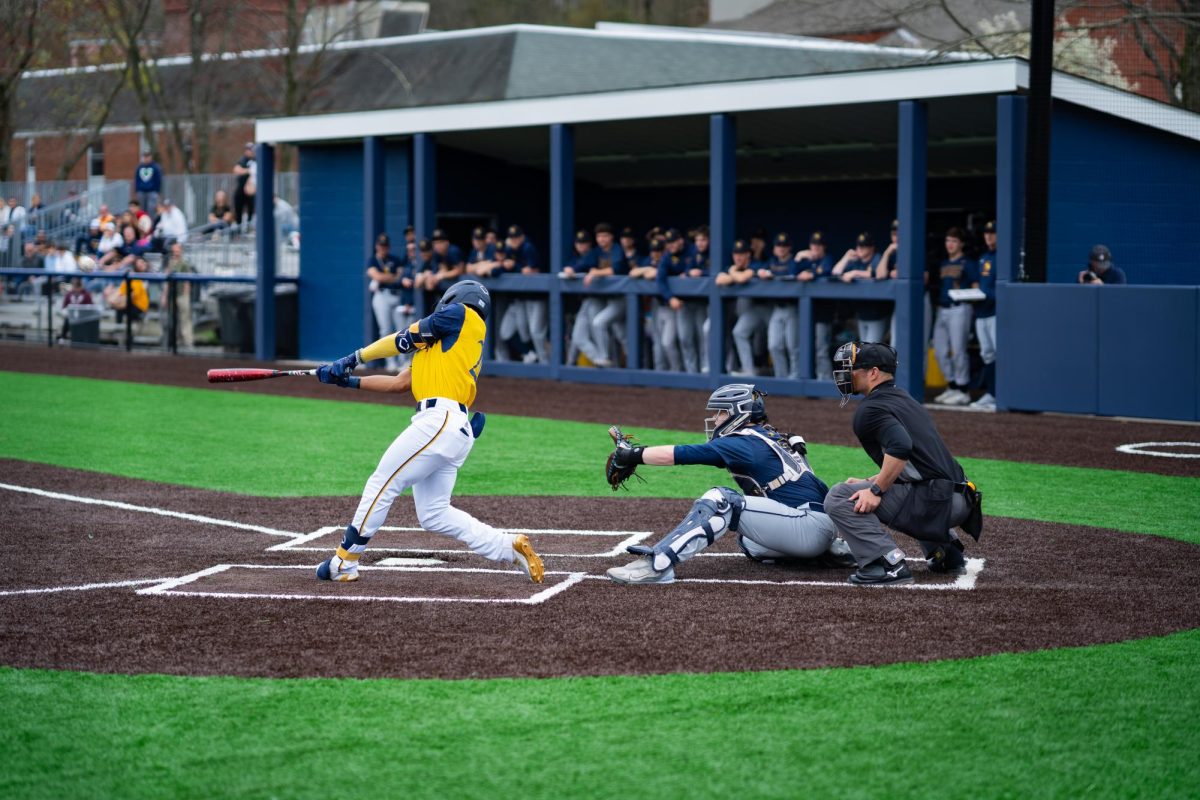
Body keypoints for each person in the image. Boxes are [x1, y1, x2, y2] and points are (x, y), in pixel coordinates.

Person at [312, 280, 544, 585]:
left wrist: (353, 359)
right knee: (434, 513)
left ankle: (345, 561)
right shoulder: (445, 346)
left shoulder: (462, 314)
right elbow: (399, 383)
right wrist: (347, 380)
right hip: (451, 428)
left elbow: (401, 338)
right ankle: (507, 546)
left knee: (382, 483)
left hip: (439, 421)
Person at [605, 383, 854, 584]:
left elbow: (683, 454)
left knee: (721, 500)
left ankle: (658, 565)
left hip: (807, 526)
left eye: (721, 412)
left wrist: (632, 455)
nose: (715, 419)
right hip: (820, 525)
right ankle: (828, 553)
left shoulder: (744, 442)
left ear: (739, 413)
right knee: (750, 542)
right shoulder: (771, 435)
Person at [826, 342, 982, 586]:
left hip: (939, 503)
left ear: (873, 372)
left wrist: (876, 490)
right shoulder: (903, 398)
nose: (847, 374)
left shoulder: (871, 409)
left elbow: (901, 447)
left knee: (838, 497)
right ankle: (946, 553)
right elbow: (915, 464)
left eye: (853, 368)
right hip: (959, 498)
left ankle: (887, 564)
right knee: (898, 486)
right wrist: (872, 480)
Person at [931, 227, 976, 406]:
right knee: (939, 351)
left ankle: (963, 389)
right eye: (948, 240)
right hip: (943, 309)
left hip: (960, 307)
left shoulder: (967, 263)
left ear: (961, 244)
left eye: (954, 241)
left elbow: (975, 287)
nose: (950, 244)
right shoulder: (943, 263)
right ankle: (952, 385)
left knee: (958, 350)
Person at [654, 228, 703, 373]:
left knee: (702, 337)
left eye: (673, 242)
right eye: (668, 243)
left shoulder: (693, 250)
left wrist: (688, 272)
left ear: (680, 240)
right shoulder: (667, 256)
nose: (671, 245)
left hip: (702, 302)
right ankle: (691, 372)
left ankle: (705, 371)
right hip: (683, 303)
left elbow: (699, 267)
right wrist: (670, 298)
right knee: (684, 338)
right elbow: (660, 280)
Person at [583, 222, 629, 368]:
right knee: (621, 334)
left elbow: (615, 269)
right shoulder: (597, 251)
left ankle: (607, 358)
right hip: (610, 299)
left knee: (600, 323)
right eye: (599, 236)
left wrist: (595, 272)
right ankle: (620, 364)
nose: (602, 239)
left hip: (624, 298)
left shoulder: (617, 249)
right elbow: (582, 264)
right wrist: (570, 268)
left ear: (611, 237)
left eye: (605, 236)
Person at [795, 231, 836, 380]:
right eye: (814, 244)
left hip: (823, 314)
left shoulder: (827, 258)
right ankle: (806, 379)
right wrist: (799, 257)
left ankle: (823, 380)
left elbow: (827, 270)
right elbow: (793, 271)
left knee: (821, 350)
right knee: (805, 348)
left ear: (823, 246)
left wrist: (812, 274)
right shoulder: (806, 260)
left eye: (819, 245)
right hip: (806, 314)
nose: (816, 247)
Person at [720, 238, 763, 376]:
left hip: (759, 309)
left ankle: (749, 370)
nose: (738, 257)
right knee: (732, 331)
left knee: (741, 333)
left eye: (742, 253)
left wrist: (733, 272)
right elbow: (719, 280)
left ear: (748, 255)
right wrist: (734, 273)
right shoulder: (731, 268)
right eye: (736, 254)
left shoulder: (755, 265)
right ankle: (736, 367)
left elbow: (743, 278)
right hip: (741, 312)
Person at [967, 221, 998, 410]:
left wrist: (986, 294)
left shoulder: (1002, 256)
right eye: (987, 233)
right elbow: (980, 283)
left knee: (997, 353)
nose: (989, 236)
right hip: (981, 312)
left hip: (995, 312)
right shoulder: (983, 257)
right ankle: (991, 393)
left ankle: (1000, 394)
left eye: (992, 233)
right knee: (986, 354)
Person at [761, 232, 800, 378]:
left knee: (793, 346)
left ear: (789, 247)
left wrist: (772, 275)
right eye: (778, 245)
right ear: (774, 248)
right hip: (777, 308)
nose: (781, 248)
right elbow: (760, 269)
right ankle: (781, 377)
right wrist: (762, 272)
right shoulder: (772, 262)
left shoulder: (794, 262)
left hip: (792, 307)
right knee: (774, 345)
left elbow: (792, 273)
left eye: (784, 246)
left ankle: (795, 377)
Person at [366, 233, 404, 369]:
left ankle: (403, 362)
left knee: (401, 330)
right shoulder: (373, 260)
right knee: (386, 330)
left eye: (385, 246)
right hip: (382, 296)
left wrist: (386, 277)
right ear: (377, 246)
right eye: (381, 246)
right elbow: (376, 276)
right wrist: (390, 277)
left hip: (396, 295)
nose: (383, 248)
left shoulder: (395, 259)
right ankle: (391, 362)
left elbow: (400, 276)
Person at [103, 255, 151, 323]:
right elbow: (120, 292)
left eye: (142, 263)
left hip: (139, 307)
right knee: (118, 302)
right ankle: (119, 326)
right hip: (130, 303)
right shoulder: (131, 277)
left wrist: (118, 302)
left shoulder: (146, 278)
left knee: (121, 304)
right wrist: (114, 299)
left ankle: (125, 328)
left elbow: (132, 296)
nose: (141, 265)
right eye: (139, 263)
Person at [166, 241, 196, 348]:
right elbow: (167, 280)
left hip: (182, 294)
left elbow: (187, 280)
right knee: (173, 319)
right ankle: (175, 341)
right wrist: (165, 296)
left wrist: (186, 295)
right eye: (174, 250)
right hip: (172, 294)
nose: (175, 252)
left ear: (181, 251)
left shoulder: (184, 262)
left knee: (185, 318)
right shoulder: (171, 262)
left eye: (177, 250)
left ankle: (188, 342)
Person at [59, 276, 94, 341]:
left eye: (77, 287)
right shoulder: (69, 294)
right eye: (74, 287)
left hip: (83, 317)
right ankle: (62, 338)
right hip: (72, 316)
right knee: (67, 321)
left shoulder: (86, 295)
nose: (76, 289)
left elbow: (91, 307)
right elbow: (64, 307)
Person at [233, 142, 256, 230]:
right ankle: (238, 229)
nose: (249, 152)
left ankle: (249, 228)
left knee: (251, 209)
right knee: (238, 208)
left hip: (252, 190)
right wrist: (249, 171)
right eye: (248, 150)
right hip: (241, 188)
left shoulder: (256, 160)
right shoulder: (243, 160)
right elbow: (236, 170)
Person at [134, 150, 163, 214]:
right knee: (141, 209)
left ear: (151, 157)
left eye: (148, 156)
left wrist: (157, 191)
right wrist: (137, 190)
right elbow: (137, 180)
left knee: (151, 209)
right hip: (141, 191)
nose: (146, 158)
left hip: (152, 191)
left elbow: (158, 180)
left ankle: (151, 223)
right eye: (145, 156)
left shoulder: (155, 167)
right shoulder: (139, 167)